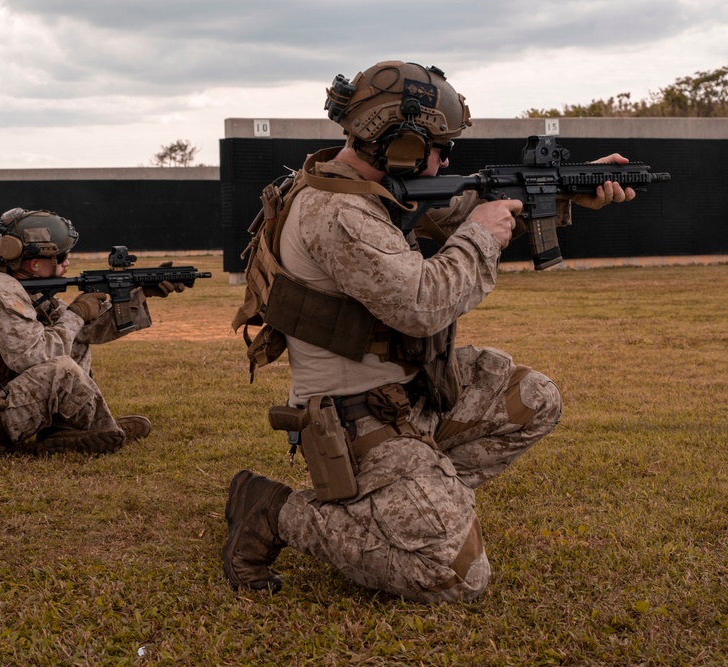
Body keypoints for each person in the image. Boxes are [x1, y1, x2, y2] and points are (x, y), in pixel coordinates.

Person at [224, 60, 637, 603]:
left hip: (414, 394)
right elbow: (422, 305)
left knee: (533, 398)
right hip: (357, 419)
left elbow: (464, 202)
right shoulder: (338, 211)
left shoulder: (375, 190)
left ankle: (417, 500)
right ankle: (276, 511)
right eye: (440, 147)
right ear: (401, 145)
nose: (446, 160)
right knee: (454, 577)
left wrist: (567, 188)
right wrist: (481, 237)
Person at [0, 207, 182, 458]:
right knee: (61, 367)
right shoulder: (1, 291)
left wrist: (142, 294)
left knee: (72, 341)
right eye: (62, 256)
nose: (67, 263)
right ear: (34, 263)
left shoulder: (10, 284)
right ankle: (94, 429)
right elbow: (33, 357)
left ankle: (71, 429)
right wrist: (76, 313)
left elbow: (84, 332)